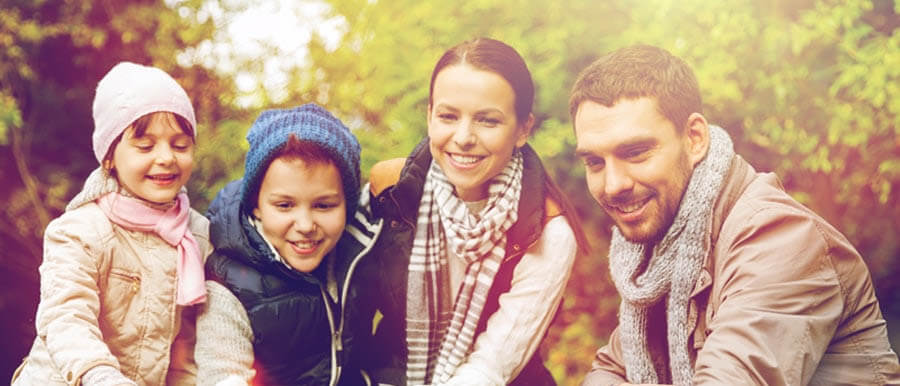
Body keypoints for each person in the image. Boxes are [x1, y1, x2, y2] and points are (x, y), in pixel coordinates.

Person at [570, 44, 900, 385]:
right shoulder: (664, 249)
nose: (612, 185)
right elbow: (609, 372)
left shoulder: (780, 238)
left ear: (695, 138)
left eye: (636, 152)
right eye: (595, 162)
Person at [364, 37, 589, 386]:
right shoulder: (390, 191)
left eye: (487, 120)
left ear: (523, 130)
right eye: (448, 116)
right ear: (429, 116)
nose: (464, 137)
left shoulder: (548, 231)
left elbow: (490, 367)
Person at [11, 62, 211, 385]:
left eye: (180, 145)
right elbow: (66, 318)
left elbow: (184, 349)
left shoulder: (195, 236)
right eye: (145, 146)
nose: (166, 157)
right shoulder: (80, 230)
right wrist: (100, 376)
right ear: (109, 157)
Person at [193, 103, 382, 385]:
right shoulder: (229, 284)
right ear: (256, 205)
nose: (305, 225)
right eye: (284, 205)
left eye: (323, 205)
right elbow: (222, 375)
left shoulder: (356, 252)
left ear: (347, 205)